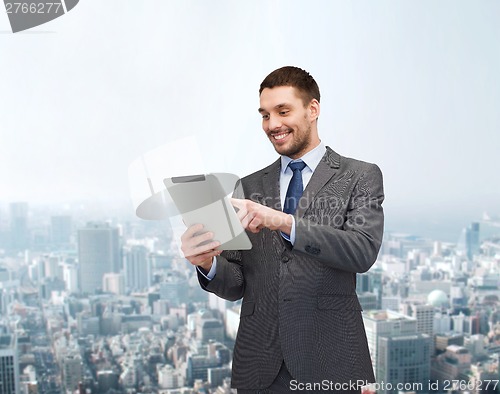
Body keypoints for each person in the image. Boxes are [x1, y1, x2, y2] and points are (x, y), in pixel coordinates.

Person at [181, 66, 384, 393]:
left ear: (313, 109)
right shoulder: (248, 185)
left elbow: (361, 252)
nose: (272, 124)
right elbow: (236, 284)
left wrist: (283, 221)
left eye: (283, 111)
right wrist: (207, 263)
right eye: (264, 114)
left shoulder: (359, 176)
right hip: (260, 366)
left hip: (332, 362)